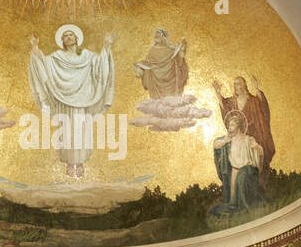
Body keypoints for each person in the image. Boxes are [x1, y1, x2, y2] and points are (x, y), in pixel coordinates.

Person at [27, 23, 115, 178]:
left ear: (76, 38)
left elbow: (100, 66)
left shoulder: (87, 57)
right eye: (65, 36)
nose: (68, 37)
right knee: (66, 132)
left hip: (82, 102)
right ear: (62, 40)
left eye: (71, 35)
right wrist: (35, 47)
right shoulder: (56, 58)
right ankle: (69, 164)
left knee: (82, 132)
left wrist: (107, 46)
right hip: (64, 102)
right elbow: (43, 64)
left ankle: (80, 164)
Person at [212, 75, 274, 177]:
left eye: (239, 83)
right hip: (240, 137)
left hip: (254, 135)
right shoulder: (232, 101)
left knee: (254, 165)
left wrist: (256, 88)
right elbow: (225, 107)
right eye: (235, 84)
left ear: (244, 85)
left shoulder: (252, 100)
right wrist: (218, 93)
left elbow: (263, 107)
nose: (237, 86)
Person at [210, 109, 265, 217]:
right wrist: (224, 141)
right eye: (229, 125)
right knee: (232, 201)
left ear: (238, 126)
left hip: (247, 172)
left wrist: (257, 147)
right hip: (234, 172)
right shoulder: (228, 141)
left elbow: (261, 151)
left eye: (232, 125)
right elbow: (216, 145)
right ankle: (237, 208)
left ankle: (246, 207)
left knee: (242, 179)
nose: (229, 128)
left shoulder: (248, 139)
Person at [132, 28, 189, 98]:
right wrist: (140, 65)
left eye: (158, 35)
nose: (156, 37)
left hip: (171, 82)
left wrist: (182, 48)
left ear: (163, 38)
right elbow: (148, 63)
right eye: (155, 35)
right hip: (155, 81)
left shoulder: (170, 50)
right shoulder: (152, 50)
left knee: (171, 101)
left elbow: (179, 60)